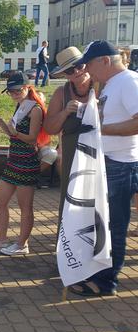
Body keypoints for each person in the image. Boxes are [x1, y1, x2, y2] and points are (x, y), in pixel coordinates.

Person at [67, 40, 138, 297]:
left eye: (90, 64)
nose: (87, 70)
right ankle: (99, 275)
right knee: (103, 224)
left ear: (105, 61)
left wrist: (102, 129)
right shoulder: (113, 84)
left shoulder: (128, 82)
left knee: (113, 225)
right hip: (110, 162)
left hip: (120, 164)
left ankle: (106, 282)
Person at [0, 72, 49, 256]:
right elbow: (12, 133)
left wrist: (15, 132)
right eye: (11, 91)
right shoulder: (21, 106)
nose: (14, 94)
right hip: (14, 160)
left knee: (25, 206)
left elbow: (32, 138)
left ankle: (22, 244)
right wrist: (1, 122)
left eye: (18, 90)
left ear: (28, 88)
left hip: (27, 161)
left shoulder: (34, 109)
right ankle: (1, 239)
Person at [43, 47, 94, 232]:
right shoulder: (61, 94)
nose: (78, 71)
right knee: (71, 199)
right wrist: (65, 112)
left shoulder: (102, 87)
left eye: (80, 65)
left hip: (100, 156)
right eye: (71, 70)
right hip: (72, 156)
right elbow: (49, 128)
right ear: (65, 74)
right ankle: (68, 241)